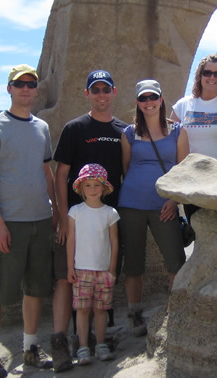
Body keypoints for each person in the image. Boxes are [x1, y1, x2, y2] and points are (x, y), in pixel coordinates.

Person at [0, 64, 57, 378]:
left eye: (31, 84)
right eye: (19, 84)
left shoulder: (42, 128)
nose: (26, 89)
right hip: (7, 223)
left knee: (35, 289)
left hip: (40, 220)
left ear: (36, 90)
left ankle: (30, 348)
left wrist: (58, 214)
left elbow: (46, 172)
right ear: (9, 89)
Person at [50, 70, 127, 372]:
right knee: (69, 277)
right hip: (76, 218)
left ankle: (99, 337)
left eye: (105, 89)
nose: (101, 95)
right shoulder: (75, 128)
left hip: (109, 218)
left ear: (113, 92)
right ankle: (68, 339)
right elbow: (60, 174)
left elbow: (125, 171)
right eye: (95, 90)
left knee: (103, 277)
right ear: (87, 94)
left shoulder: (124, 130)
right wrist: (60, 213)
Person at [119, 79, 189, 336]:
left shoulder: (178, 132)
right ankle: (135, 313)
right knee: (134, 262)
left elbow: (183, 170)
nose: (149, 102)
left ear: (161, 100)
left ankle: (175, 310)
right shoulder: (128, 134)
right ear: (138, 102)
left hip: (165, 205)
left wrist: (173, 200)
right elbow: (126, 169)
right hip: (132, 204)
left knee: (175, 259)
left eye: (153, 97)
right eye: (143, 98)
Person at [170, 54, 217, 220]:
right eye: (207, 72)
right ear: (200, 75)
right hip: (191, 182)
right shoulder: (182, 106)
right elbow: (170, 145)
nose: (212, 77)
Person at [66, 164, 119, 365]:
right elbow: (71, 240)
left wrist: (112, 269)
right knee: (82, 309)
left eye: (97, 185)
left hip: (104, 270)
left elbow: (114, 242)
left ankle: (101, 343)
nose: (93, 189)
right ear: (81, 189)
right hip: (81, 269)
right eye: (88, 185)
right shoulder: (75, 212)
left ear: (104, 188)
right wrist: (70, 267)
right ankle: (82, 346)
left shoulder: (110, 213)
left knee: (101, 309)